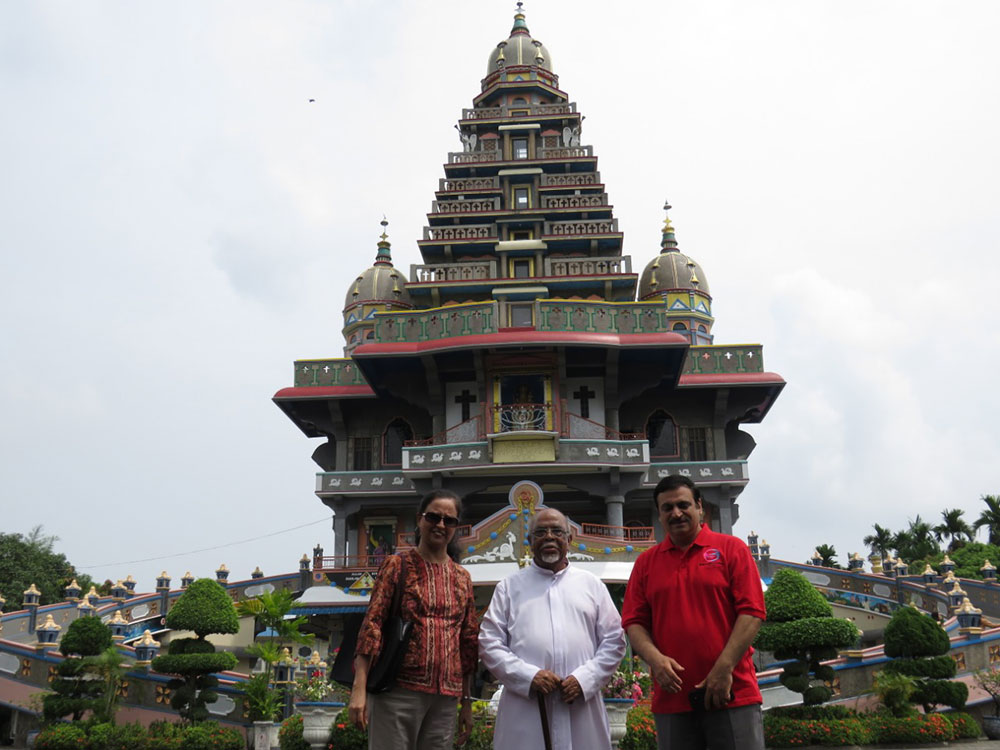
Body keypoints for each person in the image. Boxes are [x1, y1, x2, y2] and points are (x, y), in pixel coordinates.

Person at [621, 475, 766, 750]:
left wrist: (724, 668)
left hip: (732, 692)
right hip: (672, 699)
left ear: (700, 507)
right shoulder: (646, 563)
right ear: (660, 515)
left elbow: (752, 613)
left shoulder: (730, 549)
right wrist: (655, 660)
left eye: (683, 504)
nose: (676, 513)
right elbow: (634, 622)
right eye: (667, 508)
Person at [479, 507, 626, 750]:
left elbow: (614, 640)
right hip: (525, 706)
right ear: (529, 542)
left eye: (557, 531)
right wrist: (528, 676)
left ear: (569, 539)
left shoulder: (591, 585)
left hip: (580, 703)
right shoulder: (509, 587)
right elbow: (489, 643)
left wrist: (585, 679)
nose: (549, 537)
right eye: (540, 532)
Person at [349, 490, 479, 749]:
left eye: (449, 520)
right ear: (420, 520)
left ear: (456, 527)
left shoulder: (462, 577)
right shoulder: (397, 565)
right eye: (433, 517)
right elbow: (372, 626)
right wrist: (359, 688)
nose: (440, 525)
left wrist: (466, 701)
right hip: (398, 691)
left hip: (445, 697)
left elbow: (468, 640)